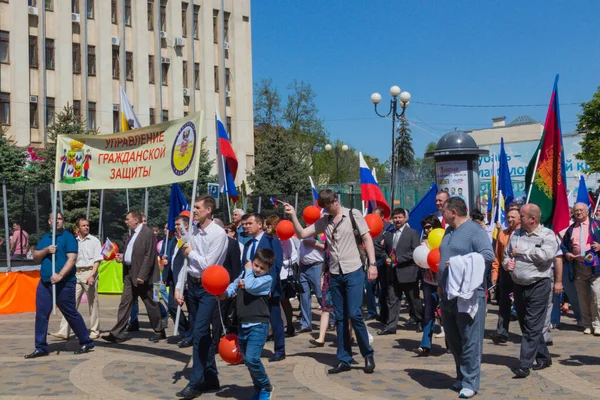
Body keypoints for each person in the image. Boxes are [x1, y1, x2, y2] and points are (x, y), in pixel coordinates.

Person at [284, 190, 377, 375]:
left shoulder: (353, 214)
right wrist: (293, 215)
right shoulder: (324, 221)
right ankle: (344, 359)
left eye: (329, 207)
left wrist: (373, 264)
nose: (327, 211)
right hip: (335, 273)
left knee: (355, 314)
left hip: (353, 270)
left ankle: (367, 354)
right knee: (340, 317)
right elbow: (302, 234)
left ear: (336, 201)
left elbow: (367, 237)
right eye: (324, 208)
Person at [438, 197, 494, 398]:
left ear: (453, 212)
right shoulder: (448, 231)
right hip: (447, 294)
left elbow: (488, 255)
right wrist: (439, 284)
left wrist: (458, 263)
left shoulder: (475, 231)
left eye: (444, 211)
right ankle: (461, 376)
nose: (441, 214)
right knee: (453, 339)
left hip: (469, 295)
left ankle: (470, 381)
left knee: (470, 338)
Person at [174, 195, 228, 399]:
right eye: (193, 207)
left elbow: (208, 264)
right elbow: (185, 262)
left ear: (208, 210)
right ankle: (212, 377)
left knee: (198, 332)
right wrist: (179, 287)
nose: (193, 211)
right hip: (193, 286)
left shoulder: (218, 234)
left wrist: (191, 252)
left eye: (197, 208)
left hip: (209, 288)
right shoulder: (193, 231)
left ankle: (195, 382)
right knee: (202, 333)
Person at [25, 212, 95, 358]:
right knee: (41, 315)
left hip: (64, 283)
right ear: (49, 221)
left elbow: (72, 259)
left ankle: (86, 341)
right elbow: (36, 256)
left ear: (62, 221)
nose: (57, 221)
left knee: (70, 313)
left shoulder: (68, 237)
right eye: (54, 219)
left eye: (60, 218)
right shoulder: (46, 238)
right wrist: (46, 250)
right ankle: (41, 347)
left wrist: (60, 275)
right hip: (45, 283)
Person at [504, 204, 559, 379]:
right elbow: (507, 255)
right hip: (519, 284)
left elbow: (546, 255)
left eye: (522, 216)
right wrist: (508, 263)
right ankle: (543, 356)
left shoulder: (547, 235)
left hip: (539, 284)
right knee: (526, 324)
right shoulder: (516, 234)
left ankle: (524, 364)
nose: (519, 218)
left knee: (533, 326)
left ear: (532, 219)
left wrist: (521, 252)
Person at [217, 249, 276, 400]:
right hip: (243, 324)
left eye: (262, 268)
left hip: (258, 324)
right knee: (247, 361)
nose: (257, 269)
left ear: (268, 269)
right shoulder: (246, 274)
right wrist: (226, 293)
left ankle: (266, 386)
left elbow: (250, 286)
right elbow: (235, 284)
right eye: (256, 265)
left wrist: (248, 270)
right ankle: (258, 388)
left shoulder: (266, 279)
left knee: (252, 358)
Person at [102, 210, 166, 344]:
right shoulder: (132, 234)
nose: (126, 222)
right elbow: (133, 253)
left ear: (136, 220)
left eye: (127, 219)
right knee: (125, 303)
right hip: (130, 274)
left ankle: (159, 330)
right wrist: (123, 257)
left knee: (151, 304)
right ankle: (117, 333)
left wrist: (142, 275)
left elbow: (149, 256)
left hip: (144, 276)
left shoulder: (147, 233)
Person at [241, 213, 285, 362]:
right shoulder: (247, 245)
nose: (246, 226)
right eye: (244, 224)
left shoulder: (272, 241)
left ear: (259, 224)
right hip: (251, 289)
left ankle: (280, 350)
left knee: (274, 318)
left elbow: (276, 266)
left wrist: (270, 288)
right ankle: (250, 350)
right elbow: (245, 266)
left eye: (249, 223)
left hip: (268, 289)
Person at [51, 218, 103, 340]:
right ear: (77, 228)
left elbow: (97, 260)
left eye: (87, 225)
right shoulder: (74, 241)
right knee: (70, 303)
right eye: (83, 225)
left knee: (93, 303)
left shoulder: (94, 240)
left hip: (89, 272)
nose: (86, 227)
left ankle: (94, 330)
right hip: (76, 273)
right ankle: (64, 330)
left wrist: (92, 275)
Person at [378, 208, 422, 335]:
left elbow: (415, 251)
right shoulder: (388, 234)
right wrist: (386, 258)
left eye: (400, 217)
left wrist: (398, 260)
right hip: (392, 273)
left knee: (413, 300)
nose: (397, 220)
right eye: (395, 218)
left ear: (405, 219)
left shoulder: (412, 233)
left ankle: (420, 321)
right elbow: (383, 250)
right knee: (392, 300)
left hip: (408, 272)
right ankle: (391, 326)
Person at [563, 202, 598, 335]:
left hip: (596, 266)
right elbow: (564, 246)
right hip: (579, 266)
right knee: (582, 297)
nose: (578, 213)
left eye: (581, 210)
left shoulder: (596, 225)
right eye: (576, 211)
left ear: (587, 211)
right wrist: (567, 253)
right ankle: (587, 324)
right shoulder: (571, 229)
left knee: (596, 295)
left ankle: (597, 323)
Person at [490, 209, 520, 345]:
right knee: (504, 303)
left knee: (522, 304)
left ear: (520, 218)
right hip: (505, 273)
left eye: (513, 217)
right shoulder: (502, 234)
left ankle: (528, 334)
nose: (510, 219)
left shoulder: (524, 234)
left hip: (521, 273)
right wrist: (495, 273)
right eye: (508, 217)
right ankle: (502, 332)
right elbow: (497, 256)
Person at [414, 214, 443, 356]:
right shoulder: (423, 242)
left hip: (444, 283)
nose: (426, 231)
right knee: (428, 313)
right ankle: (425, 344)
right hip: (428, 282)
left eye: (428, 227)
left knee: (446, 314)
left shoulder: (444, 239)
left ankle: (451, 344)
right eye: (424, 228)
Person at [162, 216, 192, 347]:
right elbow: (172, 258)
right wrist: (165, 275)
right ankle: (185, 332)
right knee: (173, 306)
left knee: (191, 310)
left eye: (178, 224)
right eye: (175, 224)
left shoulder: (190, 240)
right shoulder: (174, 240)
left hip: (186, 279)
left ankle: (191, 336)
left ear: (186, 226)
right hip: (174, 279)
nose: (176, 227)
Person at [266, 215, 298, 336]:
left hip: (283, 275)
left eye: (269, 225)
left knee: (284, 301)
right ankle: (274, 328)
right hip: (272, 274)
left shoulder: (286, 239)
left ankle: (289, 325)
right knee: (274, 302)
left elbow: (294, 256)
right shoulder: (269, 239)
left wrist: (282, 262)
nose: (267, 227)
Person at [367, 207, 392, 322]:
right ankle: (372, 312)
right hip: (370, 261)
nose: (374, 218)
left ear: (382, 217)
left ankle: (384, 312)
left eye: (376, 216)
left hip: (382, 260)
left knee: (383, 288)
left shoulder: (388, 228)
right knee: (370, 286)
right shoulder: (367, 226)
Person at [297, 235, 325, 334]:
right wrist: (299, 269)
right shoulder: (303, 234)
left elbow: (327, 247)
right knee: (304, 297)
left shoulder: (319, 234)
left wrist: (314, 243)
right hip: (304, 267)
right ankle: (305, 324)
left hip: (317, 266)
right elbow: (301, 252)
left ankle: (331, 319)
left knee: (320, 294)